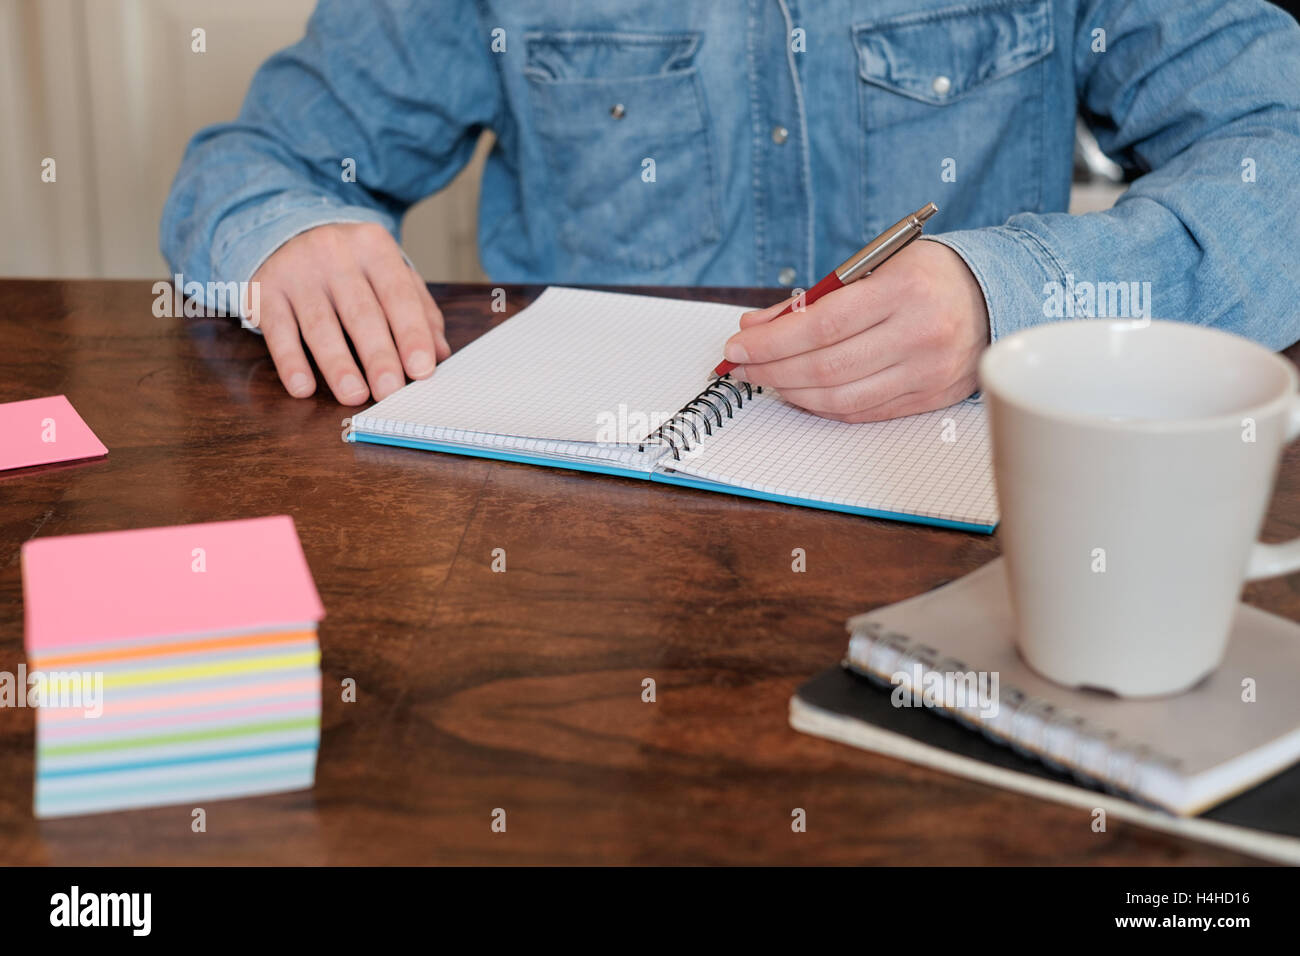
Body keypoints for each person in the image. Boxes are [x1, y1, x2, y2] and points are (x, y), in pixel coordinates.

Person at [161, 0, 1300, 421]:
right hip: (588, 565)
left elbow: (1281, 155)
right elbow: (254, 159)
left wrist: (1008, 294)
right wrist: (288, 230)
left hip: (971, 547)